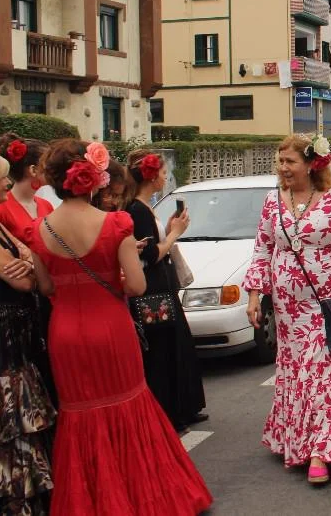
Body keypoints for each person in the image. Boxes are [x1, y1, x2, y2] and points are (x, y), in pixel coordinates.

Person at [27, 139, 212, 515]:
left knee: (79, 413)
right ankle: (141, 497)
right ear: (93, 179)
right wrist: (118, 277)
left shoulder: (39, 228)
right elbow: (137, 286)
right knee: (128, 407)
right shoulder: (115, 224)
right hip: (111, 328)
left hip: (65, 333)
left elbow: (45, 287)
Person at [242, 134, 331, 483]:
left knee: (322, 371)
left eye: (290, 161)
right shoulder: (272, 201)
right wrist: (254, 295)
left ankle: (320, 451)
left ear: (311, 164)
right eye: (280, 161)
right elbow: (262, 248)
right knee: (296, 371)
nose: (283, 168)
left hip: (327, 301)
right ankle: (294, 438)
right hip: (287, 308)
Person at [125, 151, 207, 432]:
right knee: (162, 352)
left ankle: (183, 407)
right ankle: (170, 412)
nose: (165, 177)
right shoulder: (137, 210)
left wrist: (170, 228)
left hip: (162, 286)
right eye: (162, 173)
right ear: (151, 177)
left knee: (176, 346)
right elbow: (149, 255)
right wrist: (174, 233)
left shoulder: (145, 207)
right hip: (152, 291)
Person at [0, 153, 55, 515]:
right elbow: (22, 279)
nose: (6, 184)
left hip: (19, 339)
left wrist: (27, 264)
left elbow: (28, 261)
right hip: (5, 346)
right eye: (2, 179)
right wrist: (27, 266)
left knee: (22, 425)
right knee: (13, 427)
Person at [0, 135, 53, 241]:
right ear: (33, 170)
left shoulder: (46, 205)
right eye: (50, 165)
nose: (55, 170)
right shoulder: (1, 208)